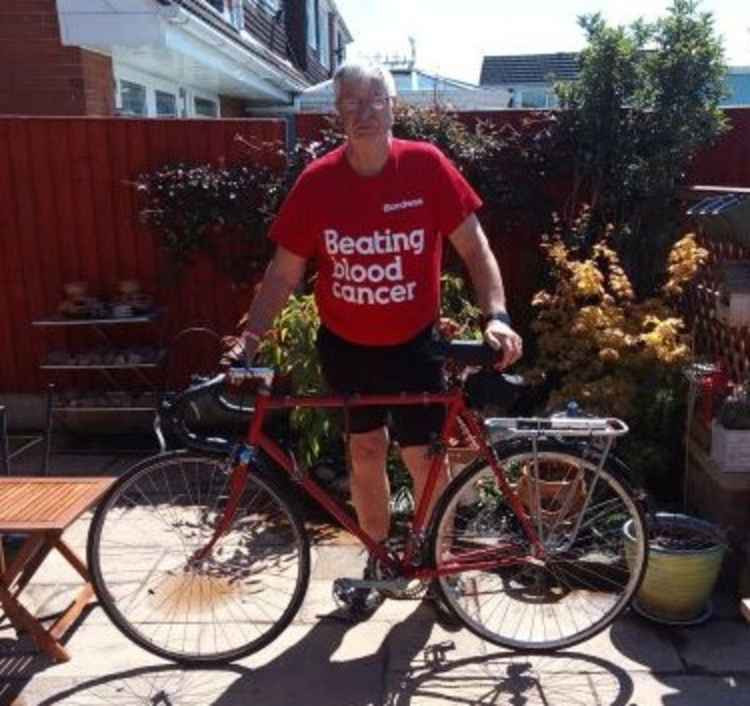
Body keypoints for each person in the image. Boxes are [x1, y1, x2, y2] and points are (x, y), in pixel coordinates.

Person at [223, 61, 523, 619]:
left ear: (393, 105)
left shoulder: (427, 167)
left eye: (373, 100)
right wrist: (250, 338)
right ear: (336, 112)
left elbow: (475, 250)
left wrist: (497, 315)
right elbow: (283, 273)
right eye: (350, 103)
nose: (363, 112)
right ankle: (379, 560)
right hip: (347, 345)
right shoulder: (318, 183)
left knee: (422, 459)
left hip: (414, 346)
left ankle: (437, 565)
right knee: (364, 453)